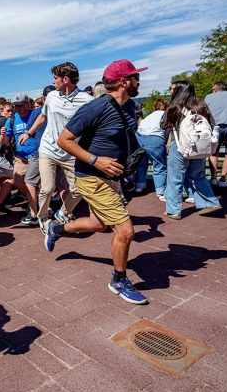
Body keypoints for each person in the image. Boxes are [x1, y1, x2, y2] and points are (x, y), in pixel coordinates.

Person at [45, 59, 149, 305]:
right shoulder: (96, 107)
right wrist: (96, 160)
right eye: (135, 77)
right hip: (91, 177)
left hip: (112, 177)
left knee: (98, 224)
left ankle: (56, 229)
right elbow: (64, 140)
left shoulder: (130, 105)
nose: (139, 81)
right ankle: (119, 280)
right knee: (125, 230)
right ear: (124, 82)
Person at [25, 62, 93, 231]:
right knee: (47, 188)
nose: (53, 81)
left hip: (70, 153)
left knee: (78, 189)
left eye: (55, 78)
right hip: (48, 149)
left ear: (65, 79)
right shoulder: (52, 96)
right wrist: (29, 133)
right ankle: (42, 217)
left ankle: (62, 214)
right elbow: (43, 117)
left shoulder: (87, 100)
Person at [161, 81, 223, 219]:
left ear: (179, 91)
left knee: (175, 178)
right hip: (198, 146)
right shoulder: (201, 106)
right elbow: (213, 124)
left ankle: (174, 210)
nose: (171, 91)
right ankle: (210, 203)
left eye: (173, 89)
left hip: (180, 145)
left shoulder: (175, 107)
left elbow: (163, 124)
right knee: (198, 175)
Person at [5, 92, 41, 226]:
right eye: (16, 106)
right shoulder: (12, 120)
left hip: (37, 156)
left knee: (36, 184)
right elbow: (5, 142)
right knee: (18, 181)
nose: (19, 109)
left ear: (28, 104)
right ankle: (35, 202)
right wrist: (3, 136)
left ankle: (35, 210)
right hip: (21, 158)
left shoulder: (36, 115)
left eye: (21, 105)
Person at [134, 99, 168, 200]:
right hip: (155, 139)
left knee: (141, 164)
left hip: (140, 138)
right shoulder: (166, 115)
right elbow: (167, 130)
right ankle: (160, 192)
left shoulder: (149, 116)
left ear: (154, 107)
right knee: (159, 166)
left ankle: (139, 187)